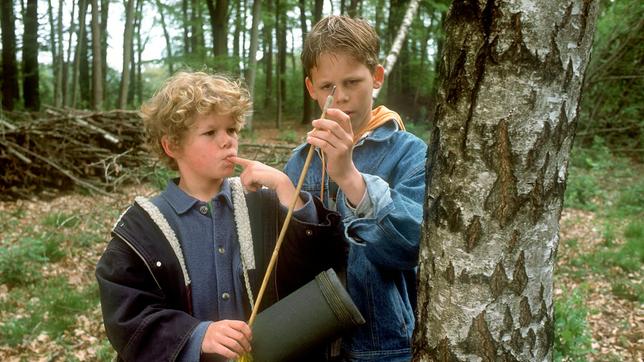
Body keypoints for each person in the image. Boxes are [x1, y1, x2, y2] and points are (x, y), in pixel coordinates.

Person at [96, 71, 345, 362]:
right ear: (172, 145)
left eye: (232, 130)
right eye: (210, 132)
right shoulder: (141, 228)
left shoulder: (263, 202)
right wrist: (198, 335)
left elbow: (320, 267)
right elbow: (128, 315)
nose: (228, 141)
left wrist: (288, 192)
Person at [284, 15, 427, 361]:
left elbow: (410, 247)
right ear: (311, 88)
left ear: (376, 77)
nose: (342, 97)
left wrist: (349, 177)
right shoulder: (301, 161)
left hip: (383, 346)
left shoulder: (410, 153)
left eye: (353, 82)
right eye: (327, 87)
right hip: (309, 340)